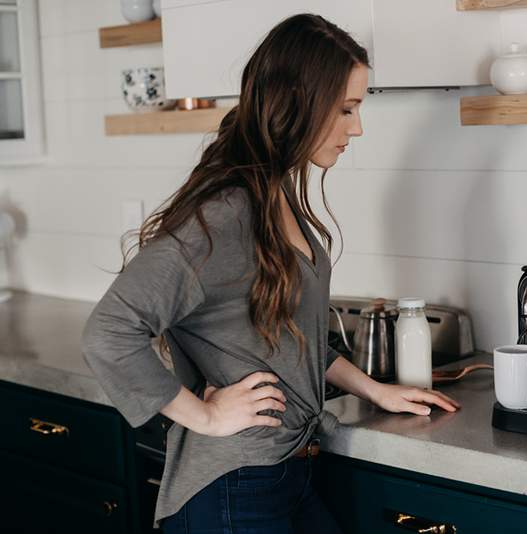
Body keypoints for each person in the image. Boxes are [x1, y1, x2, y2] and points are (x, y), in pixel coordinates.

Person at [81, 13, 460, 534]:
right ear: (299, 102)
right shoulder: (226, 212)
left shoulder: (273, 195)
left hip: (286, 473)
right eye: (346, 109)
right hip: (233, 487)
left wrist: (375, 389)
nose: (358, 127)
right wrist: (206, 416)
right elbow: (109, 331)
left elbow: (291, 341)